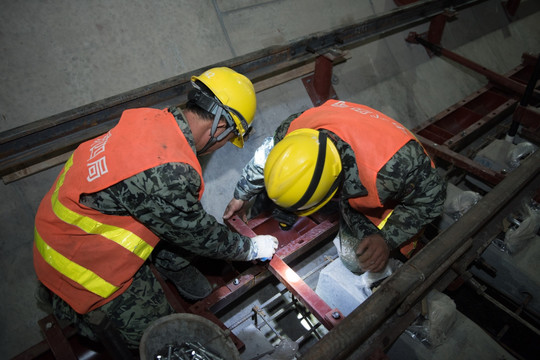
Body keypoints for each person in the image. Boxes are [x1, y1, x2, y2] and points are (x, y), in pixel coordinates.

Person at [33, 67, 278, 349]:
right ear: (220, 128)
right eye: (228, 140)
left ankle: (175, 268)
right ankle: (73, 312)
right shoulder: (168, 172)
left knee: (173, 224)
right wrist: (251, 248)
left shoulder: (154, 119)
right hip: (77, 262)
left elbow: (172, 215)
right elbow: (199, 233)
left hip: (68, 223)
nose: (222, 146)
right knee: (167, 336)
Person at [224, 99, 445, 275]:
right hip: (356, 168)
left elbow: (431, 201)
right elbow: (267, 154)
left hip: (390, 185)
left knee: (357, 261)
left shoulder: (395, 169)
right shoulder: (295, 129)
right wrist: (241, 195)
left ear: (334, 189)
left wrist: (386, 239)